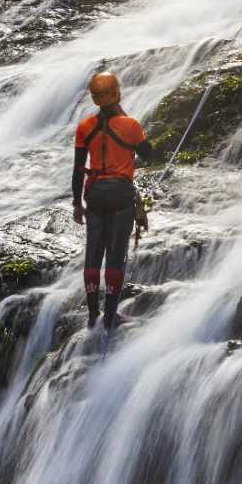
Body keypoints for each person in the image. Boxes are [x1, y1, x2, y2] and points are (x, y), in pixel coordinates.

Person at [71, 71, 157, 328]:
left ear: (95, 98)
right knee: (116, 255)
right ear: (117, 93)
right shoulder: (130, 125)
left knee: (93, 254)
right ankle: (110, 316)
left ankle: (92, 316)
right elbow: (149, 155)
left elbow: (78, 169)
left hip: (95, 193)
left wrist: (77, 204)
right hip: (120, 192)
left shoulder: (84, 127)